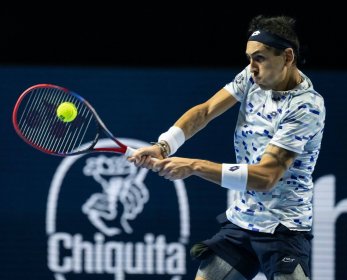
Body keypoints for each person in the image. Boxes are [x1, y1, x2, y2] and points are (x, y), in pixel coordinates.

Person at [128, 14, 325, 280]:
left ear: (287, 57)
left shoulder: (306, 106)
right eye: (249, 58)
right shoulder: (251, 78)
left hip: (283, 229)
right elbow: (205, 111)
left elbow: (266, 177)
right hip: (243, 221)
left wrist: (194, 166)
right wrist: (164, 145)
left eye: (260, 58)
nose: (252, 66)